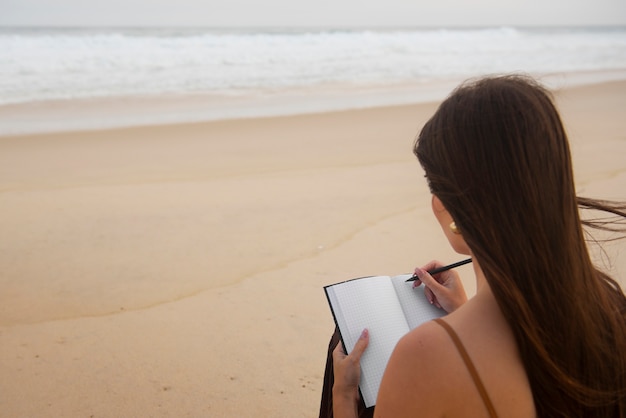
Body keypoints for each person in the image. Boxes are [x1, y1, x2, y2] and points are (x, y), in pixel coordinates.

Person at [319, 75, 626, 418]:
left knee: (340, 350)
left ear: (446, 208)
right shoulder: (611, 307)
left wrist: (344, 396)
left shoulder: (425, 355)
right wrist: (466, 309)